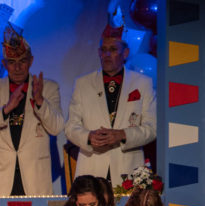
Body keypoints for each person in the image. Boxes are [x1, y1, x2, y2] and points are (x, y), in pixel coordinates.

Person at [0, 24, 64, 196]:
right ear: (4, 64)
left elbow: (57, 127)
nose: (17, 68)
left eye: (22, 61)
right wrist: (6, 109)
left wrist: (40, 101)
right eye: (12, 62)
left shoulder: (48, 87)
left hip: (34, 178)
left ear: (31, 61)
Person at [65, 22, 156, 186]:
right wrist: (88, 137)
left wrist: (123, 134)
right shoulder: (83, 84)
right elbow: (71, 127)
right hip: (92, 168)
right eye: (103, 50)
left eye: (113, 49)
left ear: (125, 53)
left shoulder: (143, 83)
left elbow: (152, 128)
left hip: (128, 169)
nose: (107, 54)